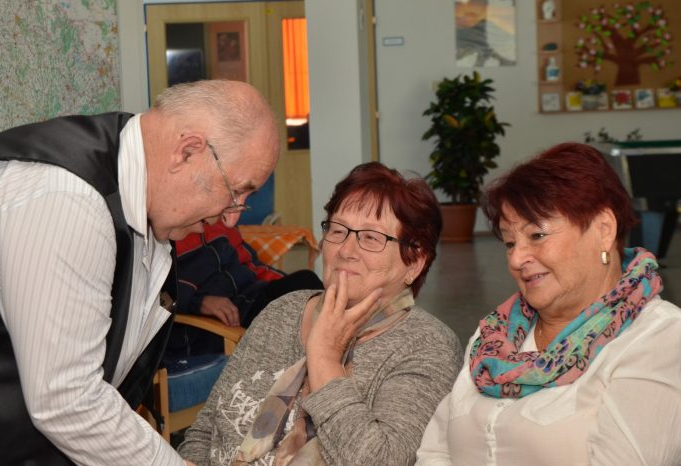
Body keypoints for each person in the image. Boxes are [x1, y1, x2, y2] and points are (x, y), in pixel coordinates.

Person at [0, 79, 279, 465]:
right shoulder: (68, 198)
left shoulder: (146, 202)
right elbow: (66, 399)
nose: (233, 216)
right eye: (236, 191)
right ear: (188, 151)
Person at [178, 162, 463, 465]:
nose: (346, 250)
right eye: (338, 230)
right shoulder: (283, 311)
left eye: (371, 237)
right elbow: (205, 430)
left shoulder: (427, 346)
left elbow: (382, 460)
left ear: (414, 262)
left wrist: (325, 358)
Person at [417, 143, 681, 465]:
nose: (516, 259)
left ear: (603, 230)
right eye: (510, 242)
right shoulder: (495, 337)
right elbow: (435, 451)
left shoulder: (657, 338)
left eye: (537, 235)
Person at [168, 219, 323, 356]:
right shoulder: (167, 231)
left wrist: (286, 285)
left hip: (249, 299)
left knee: (306, 285)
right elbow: (159, 294)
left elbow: (252, 265)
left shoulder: (221, 222)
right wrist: (198, 302)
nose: (234, 212)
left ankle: (326, 363)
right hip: (212, 323)